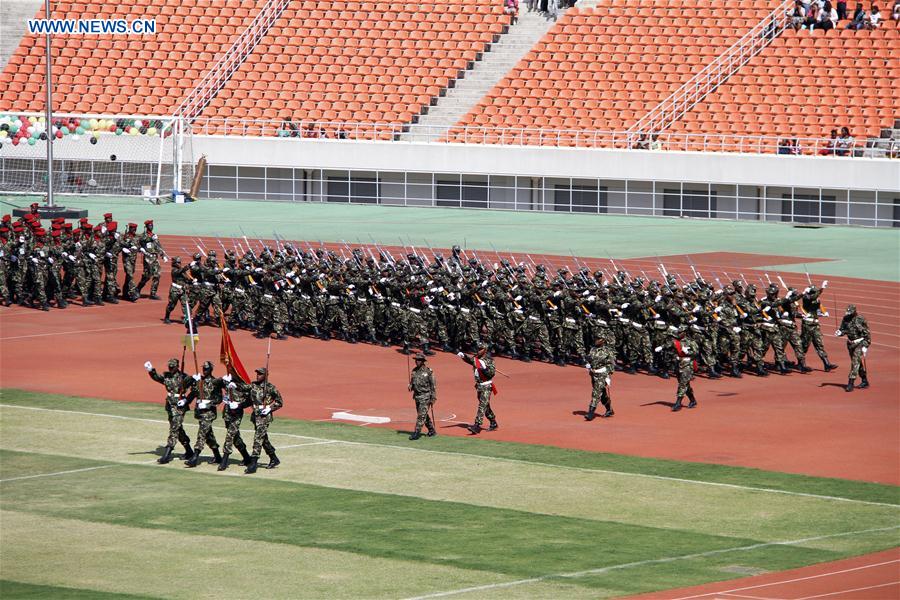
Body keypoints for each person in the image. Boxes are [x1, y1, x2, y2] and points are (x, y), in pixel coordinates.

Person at [145, 357, 195, 464]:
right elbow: (158, 378)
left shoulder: (184, 377)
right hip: (169, 406)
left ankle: (167, 454)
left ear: (177, 367)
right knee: (178, 429)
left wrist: (187, 399)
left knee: (174, 429)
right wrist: (151, 371)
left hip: (179, 406)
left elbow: (194, 388)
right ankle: (189, 451)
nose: (170, 368)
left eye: (172, 367)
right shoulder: (167, 376)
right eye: (169, 367)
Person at [184, 361, 225, 467]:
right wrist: (185, 401)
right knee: (208, 435)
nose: (204, 371)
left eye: (206, 369)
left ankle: (195, 457)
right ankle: (217, 456)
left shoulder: (215, 382)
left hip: (209, 413)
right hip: (199, 413)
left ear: (211, 370)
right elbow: (192, 393)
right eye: (203, 369)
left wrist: (209, 403)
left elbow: (219, 398)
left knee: (201, 433)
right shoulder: (198, 381)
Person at [244, 367, 283, 474]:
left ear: (265, 375)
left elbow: (280, 402)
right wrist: (232, 383)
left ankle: (253, 463)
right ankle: (274, 458)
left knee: (258, 438)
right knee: (263, 439)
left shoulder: (270, 388)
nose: (258, 375)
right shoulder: (253, 385)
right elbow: (243, 388)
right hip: (256, 416)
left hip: (264, 417)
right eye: (257, 373)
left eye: (260, 374)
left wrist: (269, 408)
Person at [458, 342, 498, 434]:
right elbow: (470, 361)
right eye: (478, 349)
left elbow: (492, 374)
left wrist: (484, 369)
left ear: (485, 350)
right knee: (485, 406)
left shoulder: (489, 360)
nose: (478, 350)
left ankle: (477, 426)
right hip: (479, 386)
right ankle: (493, 422)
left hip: (487, 386)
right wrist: (464, 356)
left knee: (482, 406)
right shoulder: (476, 358)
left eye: (481, 349)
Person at [835, 304, 870, 391]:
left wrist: (866, 345)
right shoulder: (845, 318)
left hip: (859, 343)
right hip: (850, 344)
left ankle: (850, 383)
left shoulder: (861, 319)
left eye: (850, 312)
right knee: (857, 363)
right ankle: (864, 380)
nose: (848, 314)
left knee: (855, 362)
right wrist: (840, 333)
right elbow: (843, 329)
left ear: (854, 312)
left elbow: (867, 333)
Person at [584, 334, 615, 420]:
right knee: (602, 394)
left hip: (602, 374)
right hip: (593, 374)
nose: (596, 340)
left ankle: (590, 413)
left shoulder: (608, 351)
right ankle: (609, 409)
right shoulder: (593, 349)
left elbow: (611, 365)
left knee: (596, 393)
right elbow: (589, 360)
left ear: (603, 340)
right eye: (595, 338)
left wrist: (607, 376)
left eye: (598, 339)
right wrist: (588, 364)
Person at [408, 353, 437, 440]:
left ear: (423, 361)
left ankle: (417, 432)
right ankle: (431, 430)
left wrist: (433, 397)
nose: (417, 361)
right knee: (423, 414)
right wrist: (410, 386)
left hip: (426, 396)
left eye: (419, 360)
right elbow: (412, 382)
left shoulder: (428, 371)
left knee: (421, 415)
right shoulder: (414, 371)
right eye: (416, 360)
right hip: (417, 396)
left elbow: (433, 385)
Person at [670, 328, 698, 412]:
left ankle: (678, 403)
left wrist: (687, 352)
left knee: (682, 384)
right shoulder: (675, 342)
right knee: (685, 384)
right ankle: (693, 400)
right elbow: (670, 349)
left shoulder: (691, 342)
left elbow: (696, 353)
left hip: (688, 365)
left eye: (680, 332)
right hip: (679, 365)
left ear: (684, 333)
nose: (678, 334)